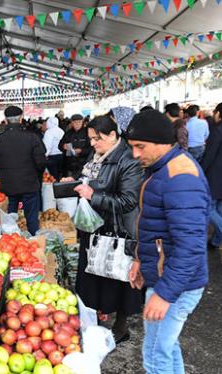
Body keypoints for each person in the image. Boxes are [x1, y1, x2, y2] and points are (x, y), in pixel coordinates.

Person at [126, 110, 209, 374]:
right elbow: (155, 225)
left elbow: (190, 246)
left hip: (176, 284)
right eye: (132, 147)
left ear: (162, 142)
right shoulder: (162, 168)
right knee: (166, 347)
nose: (135, 154)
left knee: (155, 354)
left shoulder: (180, 176)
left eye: (141, 147)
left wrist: (164, 294)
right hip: (166, 276)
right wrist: (141, 259)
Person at [64, 115, 143, 343]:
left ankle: (120, 328)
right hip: (94, 227)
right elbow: (91, 179)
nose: (92, 144)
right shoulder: (98, 154)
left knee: (115, 277)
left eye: (96, 139)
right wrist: (76, 182)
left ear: (112, 135)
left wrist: (93, 195)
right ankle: (96, 320)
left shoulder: (128, 161)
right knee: (94, 275)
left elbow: (128, 201)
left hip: (115, 230)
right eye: (90, 139)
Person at [0, 106, 46, 235]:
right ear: (21, 119)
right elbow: (41, 162)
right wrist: (35, 175)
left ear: (6, 121)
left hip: (8, 186)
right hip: (29, 185)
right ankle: (33, 243)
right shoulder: (32, 137)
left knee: (10, 218)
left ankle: (11, 241)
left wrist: (2, 174)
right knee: (31, 218)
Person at [202, 102, 222, 249]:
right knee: (219, 208)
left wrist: (200, 172)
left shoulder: (217, 131)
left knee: (208, 207)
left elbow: (209, 156)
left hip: (215, 175)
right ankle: (215, 241)